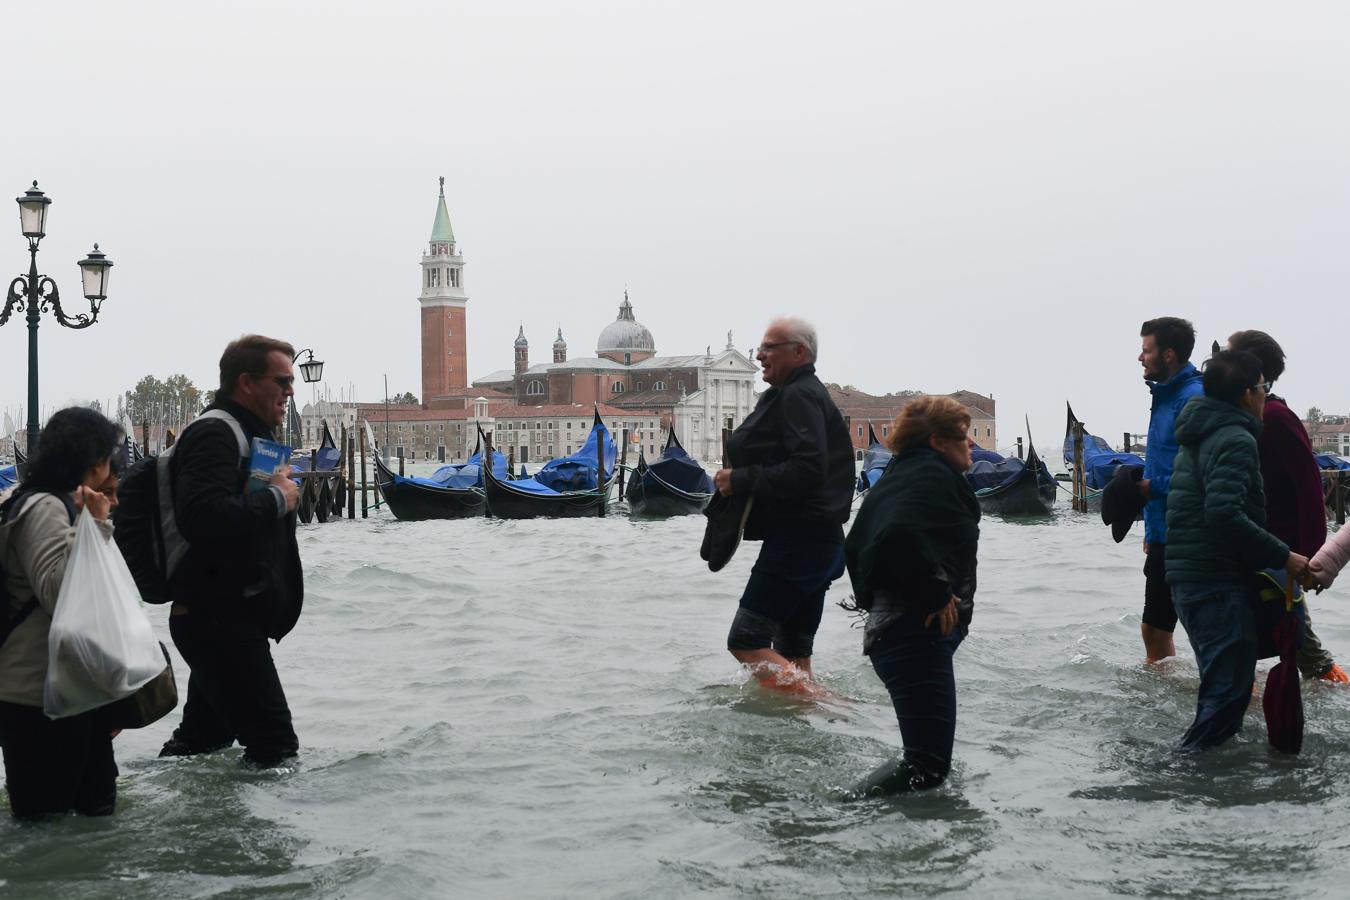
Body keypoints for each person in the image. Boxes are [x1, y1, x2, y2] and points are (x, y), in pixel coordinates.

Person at [159, 334, 303, 767]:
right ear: (245, 382)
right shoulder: (215, 433)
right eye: (281, 381)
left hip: (225, 615)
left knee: (203, 741)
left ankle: (156, 802)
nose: (290, 391)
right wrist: (277, 498)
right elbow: (202, 518)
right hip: (216, 618)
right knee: (275, 746)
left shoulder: (244, 434)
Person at [1165, 350, 1309, 751]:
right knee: (1227, 695)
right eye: (1264, 388)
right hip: (1212, 580)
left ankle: (1203, 772)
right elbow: (1224, 515)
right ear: (1248, 394)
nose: (1267, 395)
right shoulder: (1235, 438)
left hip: (1191, 577)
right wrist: (1286, 556)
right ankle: (1180, 774)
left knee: (1223, 687)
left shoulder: (1201, 431)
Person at [843, 396, 979, 795]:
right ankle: (834, 817)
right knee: (927, 767)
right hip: (912, 634)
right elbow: (898, 536)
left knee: (925, 763)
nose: (971, 443)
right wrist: (935, 594)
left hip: (897, 631)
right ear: (938, 442)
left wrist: (878, 601)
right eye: (963, 436)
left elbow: (855, 546)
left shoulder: (902, 475)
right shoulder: (930, 476)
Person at [713, 316, 853, 693]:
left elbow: (807, 468)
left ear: (799, 352)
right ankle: (807, 724)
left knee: (745, 640)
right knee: (794, 652)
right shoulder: (803, 393)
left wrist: (737, 479)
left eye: (769, 347)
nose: (759, 354)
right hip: (821, 544)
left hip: (799, 544)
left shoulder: (798, 395)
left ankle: (830, 707)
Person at [0, 407, 121, 818]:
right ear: (92, 460)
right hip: (39, 695)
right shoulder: (43, 508)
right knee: (47, 822)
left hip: (69, 689)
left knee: (93, 814)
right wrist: (96, 525)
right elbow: (60, 592)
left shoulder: (50, 503)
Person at [1226, 330, 1345, 682]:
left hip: (1279, 553)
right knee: (1269, 635)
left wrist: (1308, 556)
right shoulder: (1244, 419)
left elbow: (1309, 489)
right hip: (1258, 551)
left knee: (1299, 642)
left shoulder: (1276, 417)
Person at [1137, 317, 1205, 663]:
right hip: (1165, 530)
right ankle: (1156, 708)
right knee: (1154, 628)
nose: (1139, 357)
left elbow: (1200, 474)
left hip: (1190, 534)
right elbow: (1163, 460)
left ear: (1168, 355)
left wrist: (1150, 488)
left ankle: (1240, 704)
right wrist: (1152, 528)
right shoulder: (1163, 396)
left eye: (1146, 350)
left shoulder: (1191, 398)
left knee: (1206, 632)